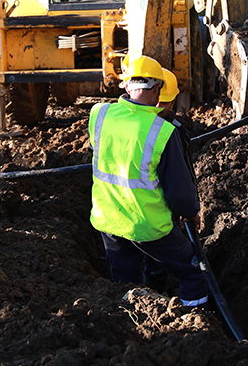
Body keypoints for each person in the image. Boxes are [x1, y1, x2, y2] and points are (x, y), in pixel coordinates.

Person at [88, 55, 208, 308]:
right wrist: (190, 213)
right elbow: (179, 193)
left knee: (124, 281)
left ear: (126, 85)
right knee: (192, 271)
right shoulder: (162, 131)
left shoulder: (99, 114)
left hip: (108, 219)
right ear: (157, 89)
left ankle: (130, 321)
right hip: (147, 224)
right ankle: (198, 319)